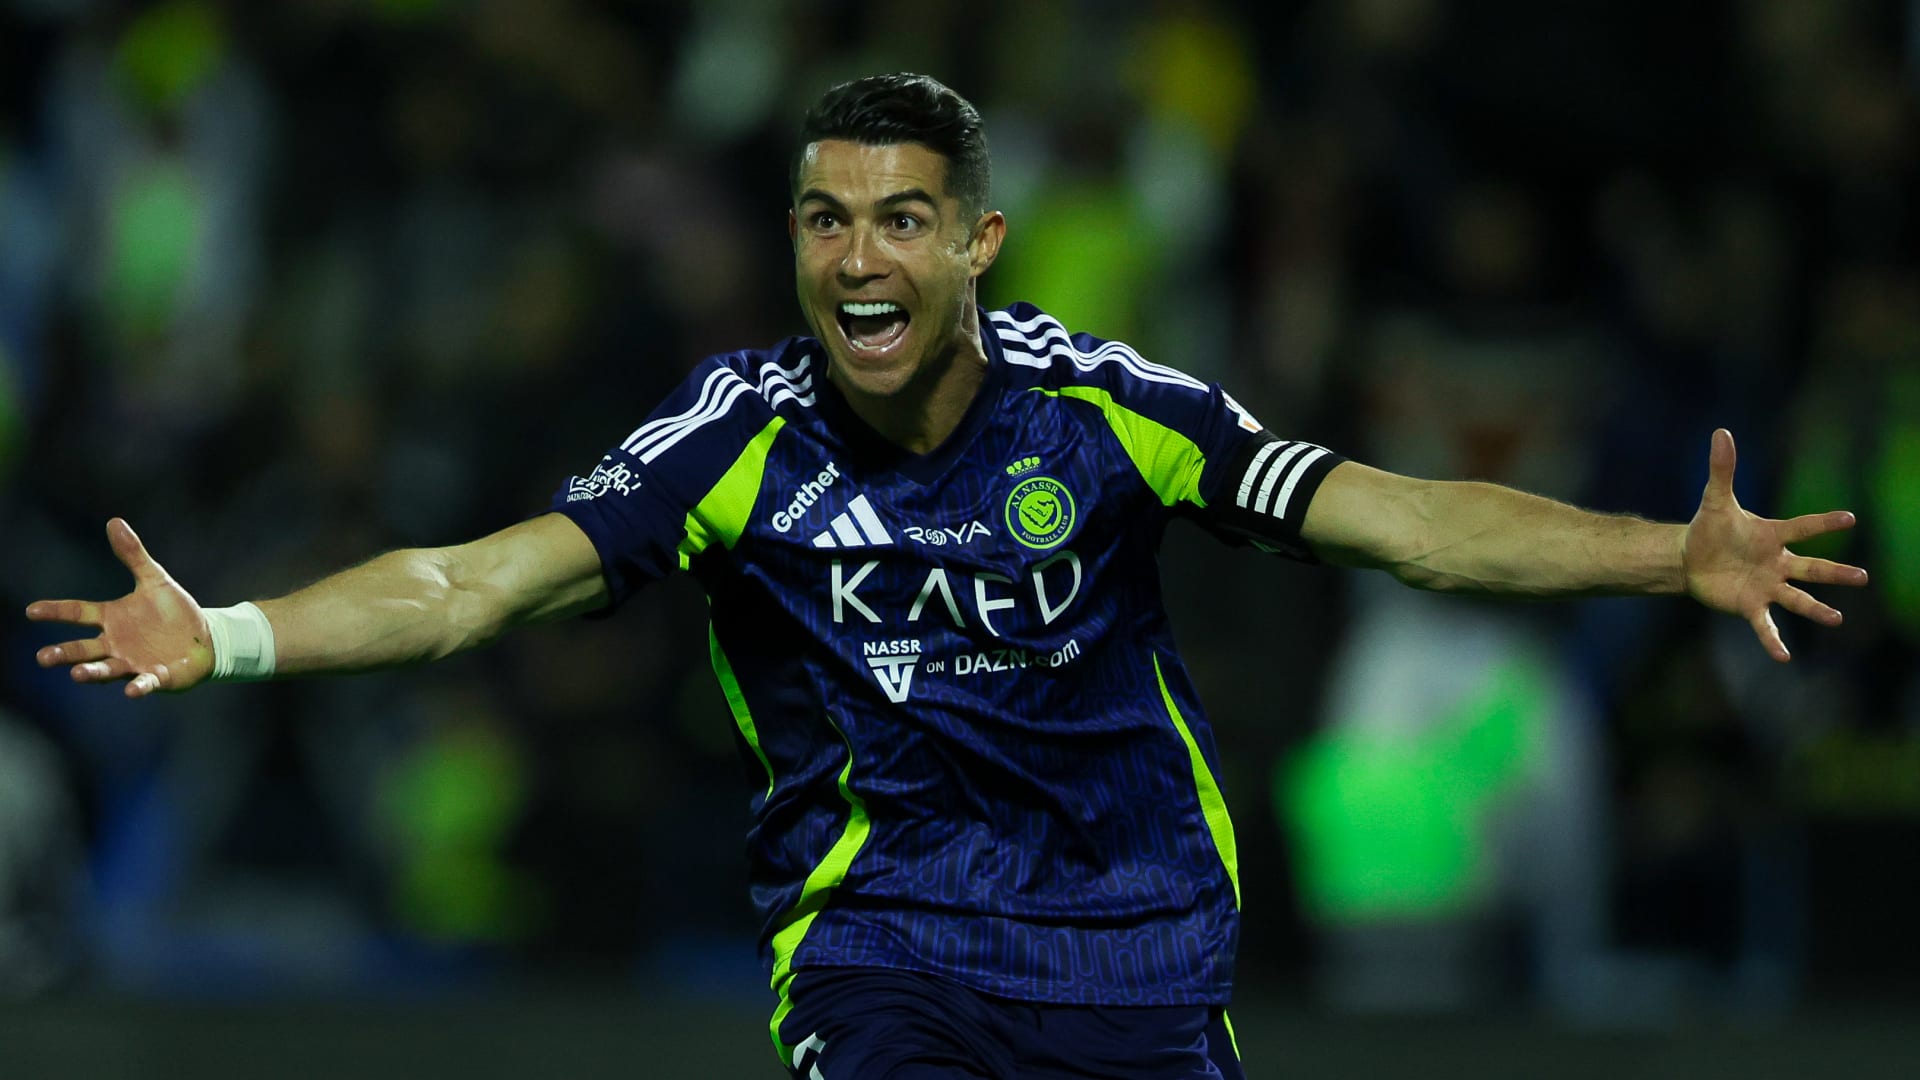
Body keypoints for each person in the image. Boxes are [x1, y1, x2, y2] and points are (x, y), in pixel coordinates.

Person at [26, 74, 1867, 1080]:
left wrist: (1667, 553)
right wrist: (232, 632)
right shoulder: (735, 437)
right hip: (881, 948)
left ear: (978, 241)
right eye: (827, 219)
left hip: (1138, 948)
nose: (860, 259)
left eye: (902, 219)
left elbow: (1403, 520)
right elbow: (471, 585)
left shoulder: (1111, 410)